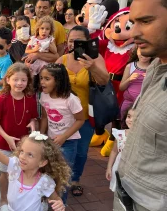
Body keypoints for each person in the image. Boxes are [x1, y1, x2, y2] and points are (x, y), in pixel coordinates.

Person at [116, 0, 167, 210]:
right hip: (129, 192)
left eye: (146, 21)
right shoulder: (156, 66)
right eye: (133, 22)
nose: (134, 32)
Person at [55, 26, 109, 197]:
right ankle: (59, 180)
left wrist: (92, 66)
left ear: (87, 42)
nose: (74, 44)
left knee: (81, 152)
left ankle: (75, 179)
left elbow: (104, 81)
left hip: (86, 116)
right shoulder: (62, 60)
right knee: (63, 151)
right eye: (71, 40)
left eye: (79, 41)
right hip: (63, 118)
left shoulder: (95, 58)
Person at [0, 122, 70, 211]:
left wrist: (59, 203)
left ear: (42, 163)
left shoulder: (44, 181)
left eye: (30, 155)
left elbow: (55, 198)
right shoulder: (15, 167)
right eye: (22, 151)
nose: (22, 157)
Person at [0, 63, 38, 210]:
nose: (19, 83)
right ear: (8, 80)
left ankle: (17, 197)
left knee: (22, 172)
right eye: (16, 79)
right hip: (5, 144)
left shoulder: (30, 98)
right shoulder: (2, 98)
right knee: (4, 172)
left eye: (23, 80)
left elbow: (33, 118)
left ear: (28, 81)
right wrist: (6, 137)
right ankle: (4, 199)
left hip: (24, 145)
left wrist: (32, 125)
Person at [39, 63, 85, 204]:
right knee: (49, 173)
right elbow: (45, 117)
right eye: (41, 78)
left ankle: (61, 204)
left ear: (58, 80)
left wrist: (64, 136)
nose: (42, 82)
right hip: (51, 141)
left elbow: (80, 119)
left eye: (47, 79)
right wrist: (40, 136)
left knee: (63, 176)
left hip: (68, 143)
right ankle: (49, 201)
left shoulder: (71, 99)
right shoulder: (44, 96)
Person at [23, 0, 65, 65]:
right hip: (28, 65)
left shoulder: (58, 26)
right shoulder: (27, 24)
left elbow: (60, 51)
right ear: (35, 9)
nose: (41, 10)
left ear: (50, 9)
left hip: (48, 67)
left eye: (45, 8)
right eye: (39, 7)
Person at [119, 47, 152, 119]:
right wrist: (129, 79)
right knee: (125, 125)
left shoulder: (153, 68)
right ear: (137, 52)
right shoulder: (130, 66)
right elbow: (121, 88)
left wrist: (149, 79)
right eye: (141, 51)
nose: (144, 55)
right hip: (128, 103)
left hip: (144, 105)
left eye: (147, 52)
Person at [106, 107, 134, 192]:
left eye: (135, 118)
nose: (130, 120)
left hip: (133, 169)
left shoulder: (142, 136)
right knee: (118, 191)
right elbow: (114, 151)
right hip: (119, 167)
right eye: (129, 116)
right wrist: (109, 167)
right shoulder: (120, 134)